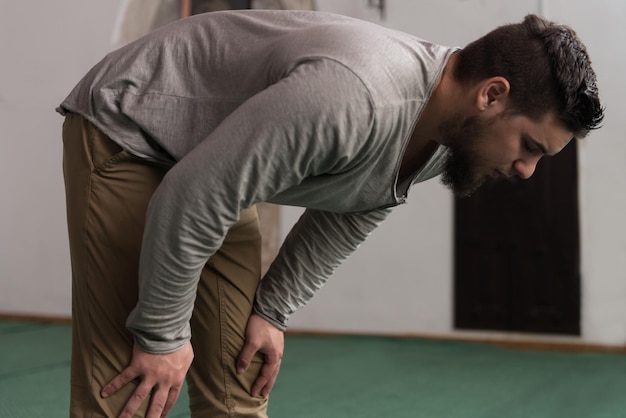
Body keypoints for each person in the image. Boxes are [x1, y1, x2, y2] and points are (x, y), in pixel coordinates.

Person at [58, 10, 603, 418]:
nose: (528, 169)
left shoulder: (449, 135)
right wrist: (160, 336)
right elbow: (193, 196)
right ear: (492, 95)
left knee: (239, 380)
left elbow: (353, 211)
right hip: (134, 127)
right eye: (530, 145)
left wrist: (272, 310)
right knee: (133, 384)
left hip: (215, 170)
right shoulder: (355, 97)